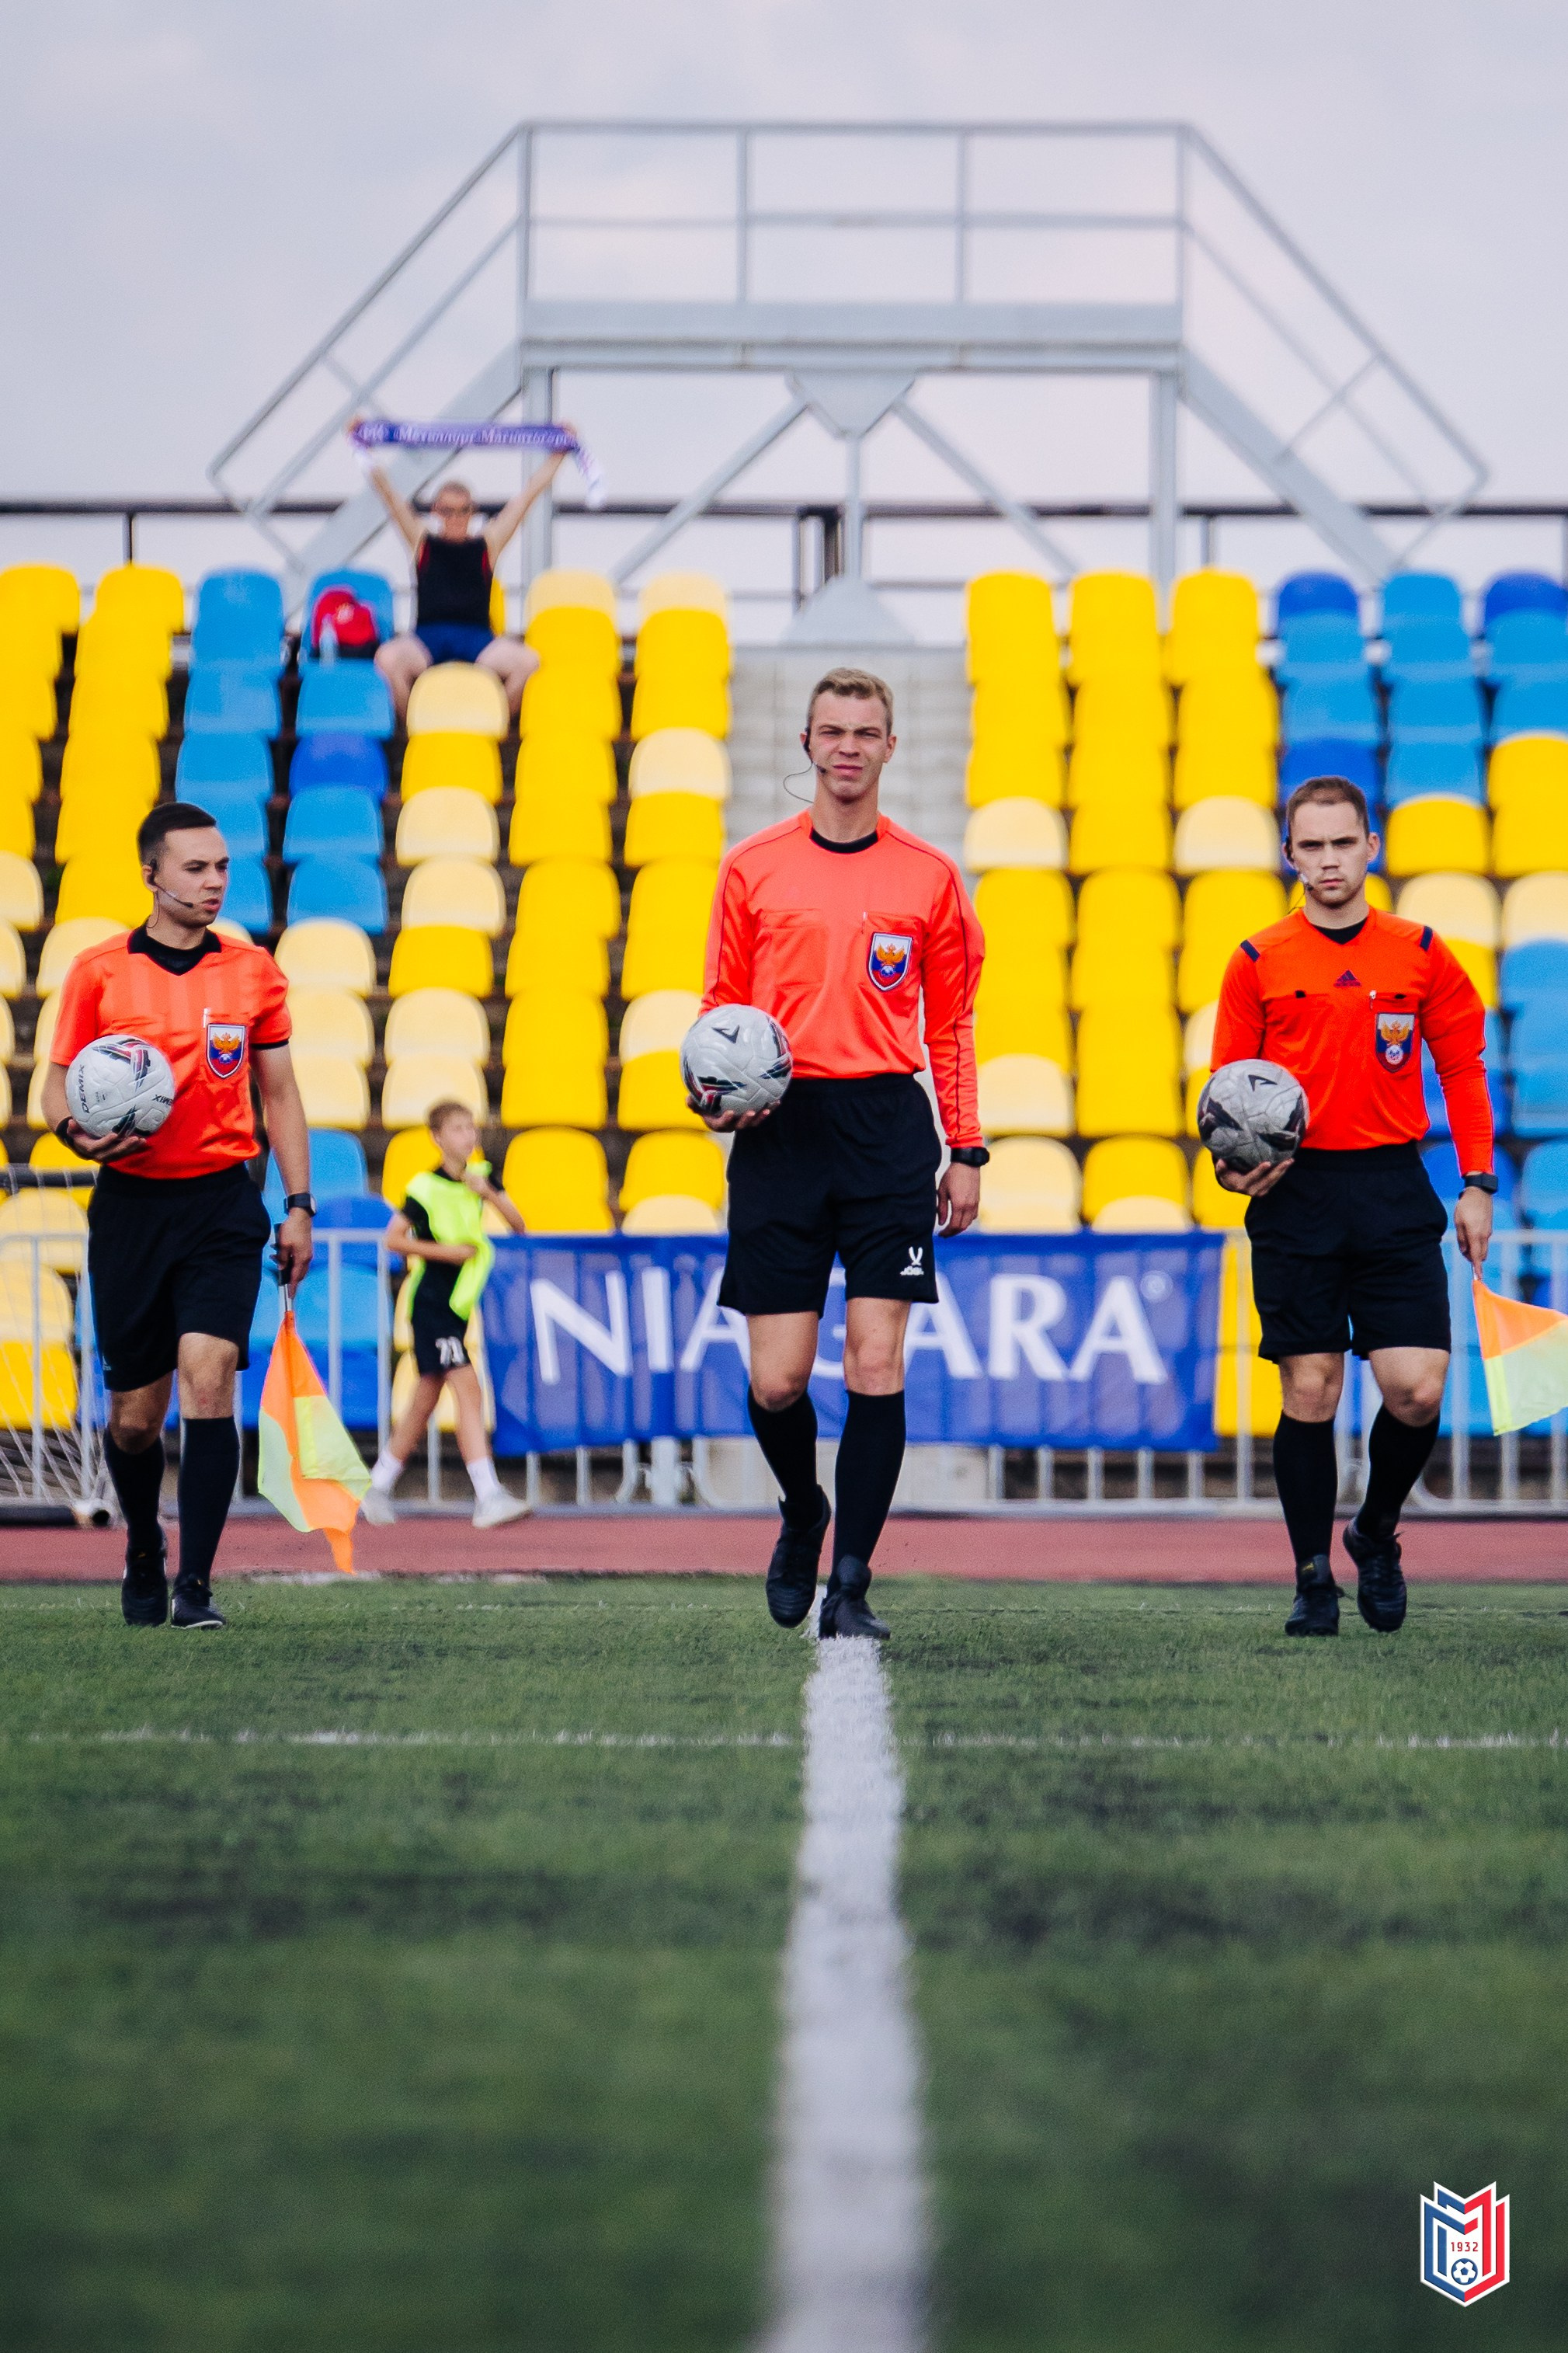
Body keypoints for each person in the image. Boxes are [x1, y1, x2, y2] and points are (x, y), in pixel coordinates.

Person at [697, 667, 986, 1642]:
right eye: (833, 730)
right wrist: (713, 1094)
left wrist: (968, 1146)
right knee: (778, 1380)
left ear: (891, 747)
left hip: (884, 1130)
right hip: (781, 1129)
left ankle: (852, 1581)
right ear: (809, 743)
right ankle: (802, 1511)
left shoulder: (929, 876)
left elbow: (949, 1021)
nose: (850, 746)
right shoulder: (752, 866)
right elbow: (718, 1012)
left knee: (876, 1360)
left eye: (868, 731)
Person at [1211, 776, 1494, 1638]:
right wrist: (1232, 1168)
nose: (1329, 859)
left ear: (1370, 847)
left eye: (1344, 842)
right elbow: (1225, 1093)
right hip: (1297, 1194)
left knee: (1415, 1388)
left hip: (1391, 1186)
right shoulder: (1257, 959)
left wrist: (1477, 1183)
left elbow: (1464, 1071)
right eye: (1312, 844)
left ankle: (1373, 1530)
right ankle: (1310, 1579)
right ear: (1288, 853)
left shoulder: (1423, 952)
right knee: (1311, 1387)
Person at [43, 802, 315, 1630]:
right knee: (132, 1419)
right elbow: (53, 1087)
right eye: (195, 868)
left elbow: (280, 1094)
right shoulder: (98, 972)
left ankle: (194, 1583)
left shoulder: (253, 971)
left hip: (222, 1201)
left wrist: (297, 1204)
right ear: (152, 874)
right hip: (130, 1207)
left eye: (223, 867)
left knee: (208, 1370)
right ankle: (141, 1544)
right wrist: (73, 1131)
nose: (214, 881)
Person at [360, 1102, 530, 1529]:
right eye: (456, 1128)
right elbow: (394, 1240)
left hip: (458, 1306)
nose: (467, 1135)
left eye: (470, 1127)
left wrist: (487, 1193)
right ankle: (488, 1496)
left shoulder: (484, 1176)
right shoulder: (424, 1187)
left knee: (424, 1400)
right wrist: (447, 1253)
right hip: (431, 1303)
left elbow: (519, 1224)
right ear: (437, 1137)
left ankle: (377, 1485)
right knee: (468, 1390)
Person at [356, 426, 573, 719]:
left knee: (528, 663)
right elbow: (389, 496)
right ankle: (413, 729)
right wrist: (363, 445)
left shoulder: (488, 544)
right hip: (427, 639)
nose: (455, 518)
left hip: (477, 640)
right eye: (447, 511)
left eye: (462, 511)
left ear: (472, 512)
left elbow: (527, 498)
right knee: (387, 659)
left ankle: (494, 724)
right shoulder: (423, 542)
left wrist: (559, 455)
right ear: (436, 511)